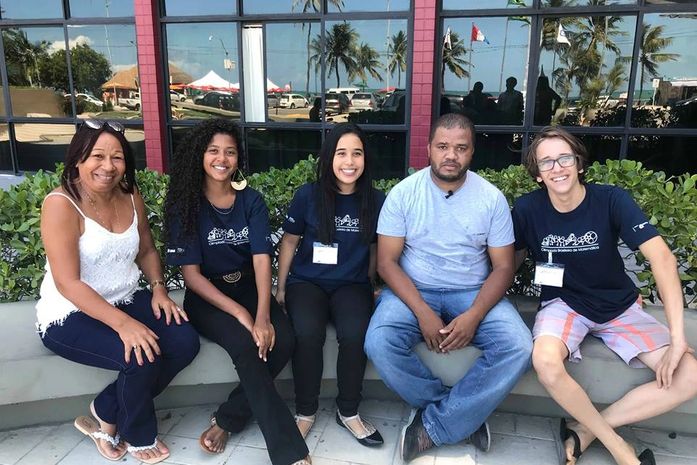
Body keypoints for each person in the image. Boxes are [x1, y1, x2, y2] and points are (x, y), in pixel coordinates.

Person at [512, 126, 697, 465]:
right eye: (547, 162)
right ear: (537, 174)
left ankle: (586, 430)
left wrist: (677, 339)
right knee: (546, 361)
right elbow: (509, 261)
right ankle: (620, 449)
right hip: (562, 304)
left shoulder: (611, 200)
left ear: (579, 163)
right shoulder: (527, 209)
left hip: (618, 306)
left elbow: (663, 260)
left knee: (690, 376)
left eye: (565, 158)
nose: (557, 168)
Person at [364, 113, 533, 462]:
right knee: (379, 342)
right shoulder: (404, 194)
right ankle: (461, 415)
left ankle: (436, 425)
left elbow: (503, 267)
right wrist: (423, 312)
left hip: (472, 291)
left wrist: (474, 315)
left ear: (472, 152)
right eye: (442, 146)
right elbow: (386, 263)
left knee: (518, 345)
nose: (451, 155)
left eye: (460, 147)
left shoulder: (490, 198)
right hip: (413, 290)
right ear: (428, 148)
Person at [36, 119, 200, 464]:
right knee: (141, 356)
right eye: (97, 156)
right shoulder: (61, 204)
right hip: (70, 313)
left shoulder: (129, 193)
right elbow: (68, 283)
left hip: (125, 298)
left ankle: (106, 408)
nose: (108, 166)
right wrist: (124, 325)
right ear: (78, 158)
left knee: (184, 342)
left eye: (117, 157)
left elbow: (147, 250)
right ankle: (137, 433)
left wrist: (159, 290)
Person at [164, 118, 310, 465]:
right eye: (213, 151)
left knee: (283, 340)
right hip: (208, 297)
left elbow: (261, 260)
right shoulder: (184, 204)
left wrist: (262, 315)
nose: (222, 159)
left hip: (248, 286)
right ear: (200, 155)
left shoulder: (251, 201)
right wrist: (243, 315)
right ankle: (288, 451)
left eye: (230, 152)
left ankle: (228, 418)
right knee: (246, 345)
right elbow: (192, 277)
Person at [276, 123, 385, 447]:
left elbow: (376, 247)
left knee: (355, 334)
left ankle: (348, 411)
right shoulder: (308, 196)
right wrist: (280, 288)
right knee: (307, 333)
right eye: (341, 153)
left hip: (351, 285)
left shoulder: (376, 200)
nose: (349, 162)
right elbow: (289, 242)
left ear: (365, 159)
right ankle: (305, 411)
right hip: (307, 283)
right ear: (329, 158)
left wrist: (373, 282)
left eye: (357, 153)